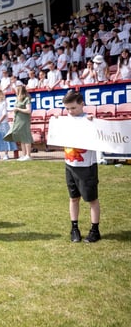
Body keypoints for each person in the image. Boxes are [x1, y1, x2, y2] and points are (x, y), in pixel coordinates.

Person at [62, 90, 101, 243]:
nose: (70, 111)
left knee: (92, 199)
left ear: (82, 104)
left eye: (73, 108)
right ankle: (74, 228)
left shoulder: (90, 120)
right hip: (69, 164)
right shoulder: (65, 120)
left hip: (87, 166)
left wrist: (93, 122)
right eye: (67, 109)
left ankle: (95, 230)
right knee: (73, 198)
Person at [5, 84, 33, 161]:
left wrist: (18, 109)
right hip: (18, 120)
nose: (15, 91)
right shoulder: (17, 99)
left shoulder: (27, 99)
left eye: (17, 90)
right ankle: (24, 154)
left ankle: (28, 155)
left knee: (26, 137)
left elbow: (28, 110)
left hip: (24, 120)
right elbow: (16, 110)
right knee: (21, 138)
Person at [0, 88, 17, 160]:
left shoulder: (4, 102)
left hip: (2, 123)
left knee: (4, 138)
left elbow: (4, 114)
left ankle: (6, 154)